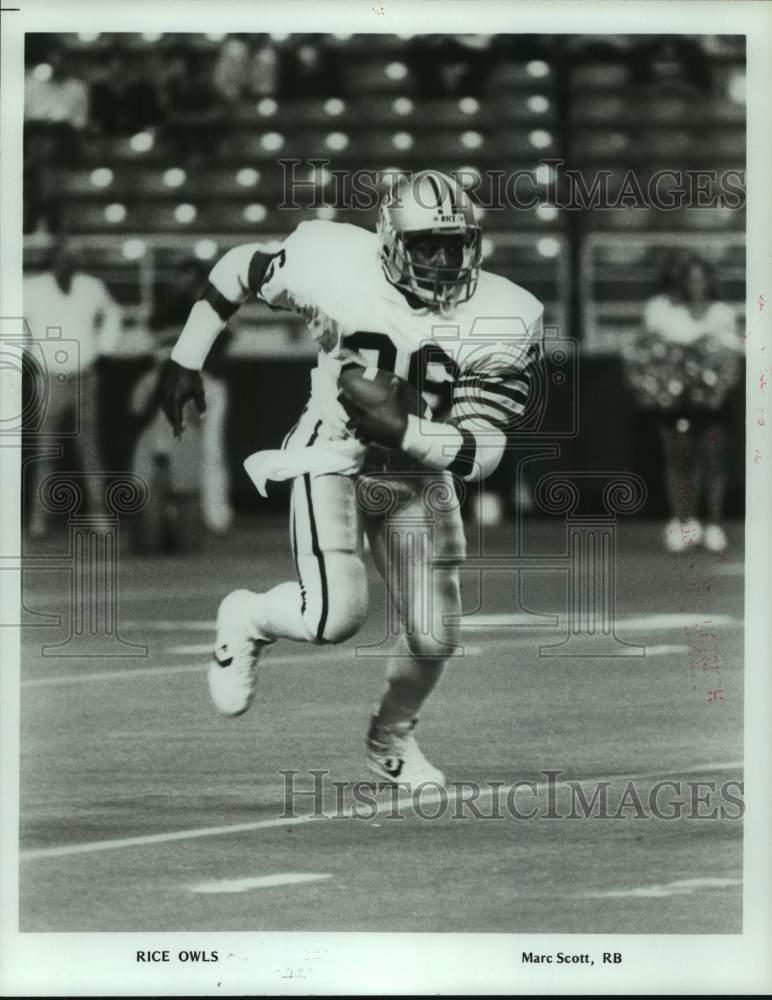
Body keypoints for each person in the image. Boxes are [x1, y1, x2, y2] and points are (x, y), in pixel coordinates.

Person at [160, 170, 542, 788]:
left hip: (417, 467)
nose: (445, 260)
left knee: (435, 632)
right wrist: (185, 357)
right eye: (427, 246)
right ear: (391, 241)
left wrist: (408, 433)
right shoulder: (330, 259)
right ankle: (247, 618)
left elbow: (489, 445)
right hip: (333, 448)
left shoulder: (508, 312)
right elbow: (239, 269)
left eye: (456, 244)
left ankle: (389, 740)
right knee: (333, 618)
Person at [626, 251, 742, 553]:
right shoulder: (660, 309)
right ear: (679, 282)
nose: (696, 285)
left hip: (712, 400)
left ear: (709, 282)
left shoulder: (721, 313)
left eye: (701, 279)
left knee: (713, 458)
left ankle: (714, 525)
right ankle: (685, 523)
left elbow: (732, 351)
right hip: (674, 398)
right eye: (690, 279)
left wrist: (710, 354)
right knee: (679, 458)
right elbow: (646, 345)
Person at [23, 238, 122, 536]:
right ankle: (39, 519)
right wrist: (27, 353)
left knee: (90, 449)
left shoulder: (91, 287)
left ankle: (99, 515)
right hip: (49, 376)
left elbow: (114, 314)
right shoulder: (32, 288)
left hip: (84, 375)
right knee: (43, 452)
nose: (69, 261)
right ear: (53, 258)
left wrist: (104, 349)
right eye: (64, 256)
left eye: (74, 257)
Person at [149, 258, 233, 533]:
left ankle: (214, 514)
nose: (187, 284)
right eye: (183, 278)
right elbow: (156, 333)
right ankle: (177, 514)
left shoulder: (219, 304)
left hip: (209, 382)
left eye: (193, 279)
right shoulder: (171, 306)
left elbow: (225, 340)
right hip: (182, 381)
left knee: (211, 450)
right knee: (173, 448)